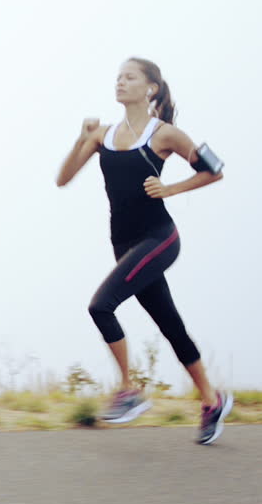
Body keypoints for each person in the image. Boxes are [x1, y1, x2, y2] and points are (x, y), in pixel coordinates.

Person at [55, 57, 233, 445]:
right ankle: (212, 400)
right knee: (170, 324)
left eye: (129, 77)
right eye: (118, 77)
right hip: (123, 244)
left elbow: (214, 169)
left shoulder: (165, 134)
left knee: (101, 306)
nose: (120, 82)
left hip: (159, 238)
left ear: (150, 88)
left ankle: (128, 390)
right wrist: (80, 138)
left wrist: (171, 189)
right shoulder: (102, 135)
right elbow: (62, 179)